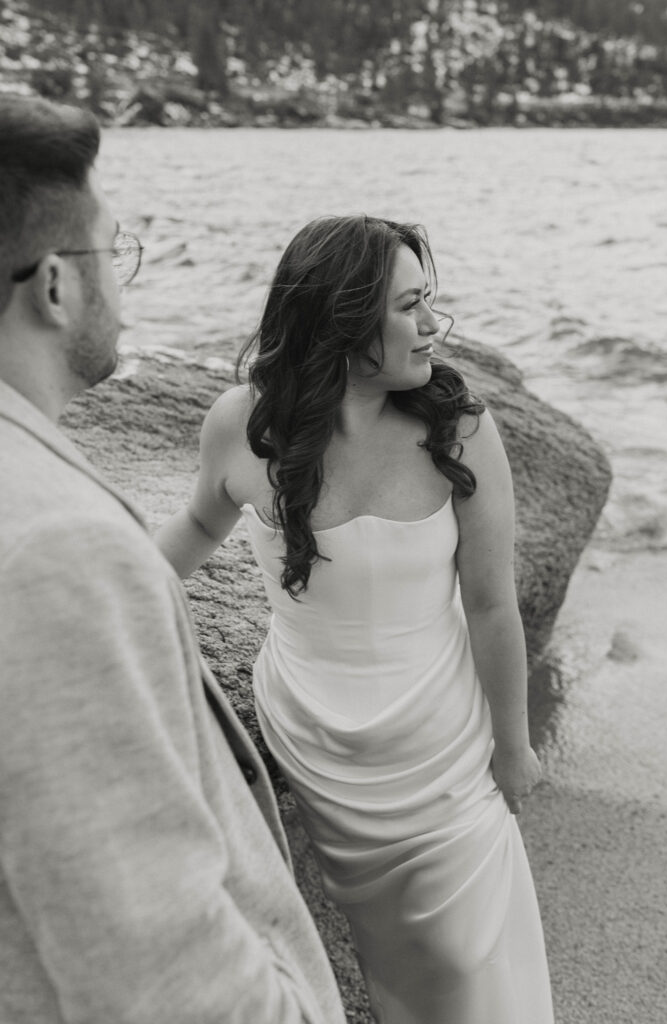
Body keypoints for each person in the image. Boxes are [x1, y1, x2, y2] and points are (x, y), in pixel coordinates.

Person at [156, 214, 555, 1023]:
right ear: (342, 317)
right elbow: (199, 524)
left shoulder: (461, 429)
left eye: (428, 300)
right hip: (314, 732)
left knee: (468, 952)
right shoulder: (243, 422)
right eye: (408, 306)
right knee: (395, 965)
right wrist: (109, 585)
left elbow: (487, 602)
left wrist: (510, 748)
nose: (431, 326)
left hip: (441, 745)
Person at [0, 95, 346, 1024]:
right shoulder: (54, 549)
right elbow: (150, 969)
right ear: (57, 286)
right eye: (117, 253)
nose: (126, 283)